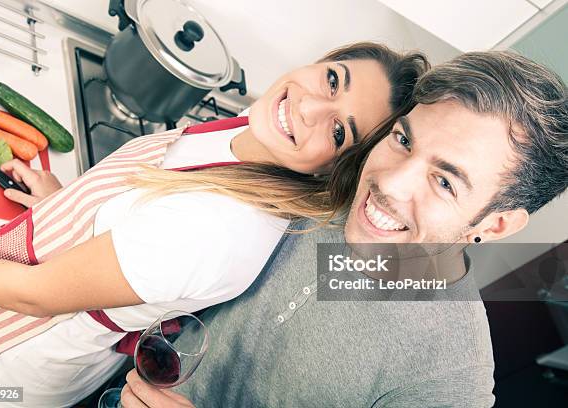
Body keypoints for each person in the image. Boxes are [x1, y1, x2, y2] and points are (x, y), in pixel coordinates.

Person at [0, 43, 429, 407]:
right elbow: (139, 218)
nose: (308, 109)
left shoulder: (220, 232)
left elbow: (33, 293)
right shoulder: (250, 130)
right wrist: (68, 201)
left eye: (338, 130)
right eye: (332, 79)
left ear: (334, 169)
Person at [117, 51, 567, 407]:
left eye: (444, 181)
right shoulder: (331, 184)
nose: (387, 183)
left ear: (497, 222)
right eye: (403, 140)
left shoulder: (448, 379)